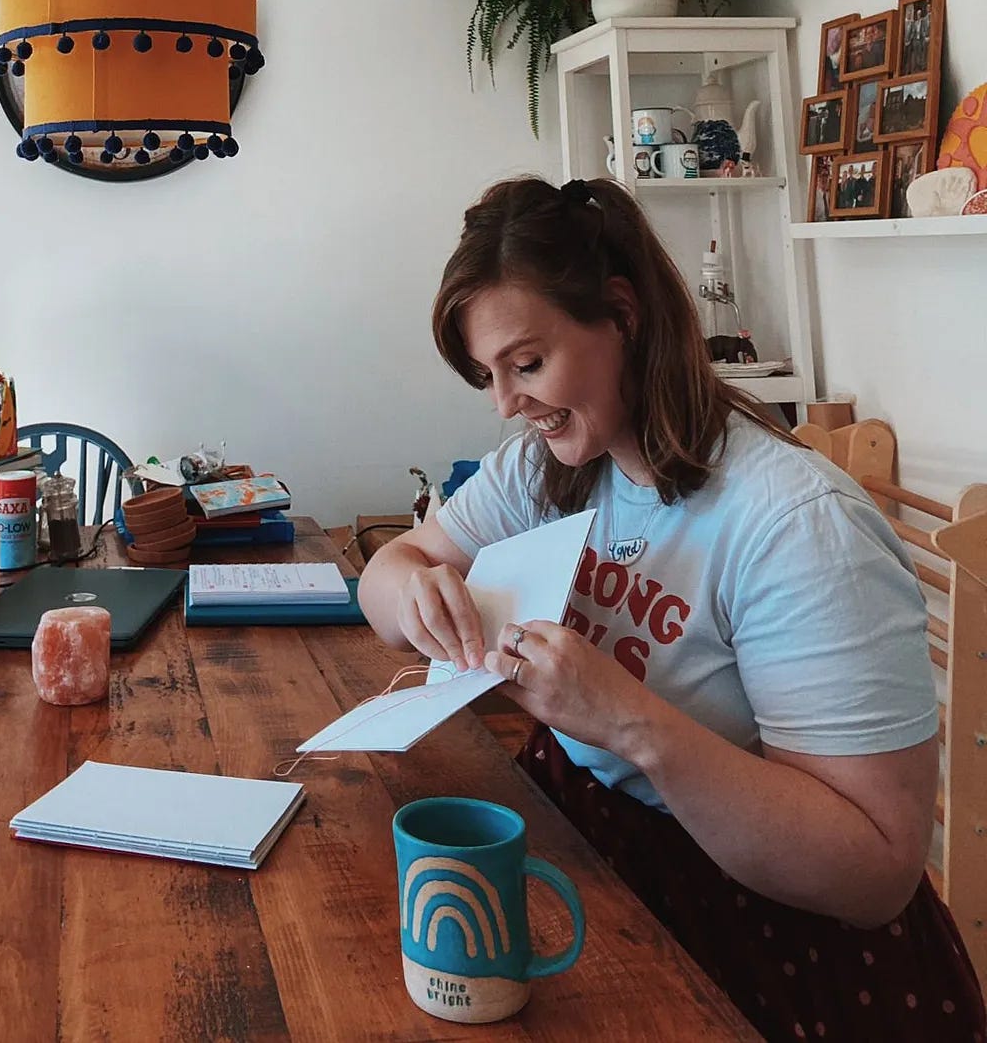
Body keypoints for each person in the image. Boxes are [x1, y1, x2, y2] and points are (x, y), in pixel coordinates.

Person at [359, 176, 982, 1043]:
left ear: (622, 314)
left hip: (767, 936)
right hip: (588, 854)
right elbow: (394, 570)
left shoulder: (797, 525)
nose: (507, 403)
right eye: (489, 376)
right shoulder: (549, 462)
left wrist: (629, 721)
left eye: (527, 364)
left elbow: (874, 871)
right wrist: (411, 589)